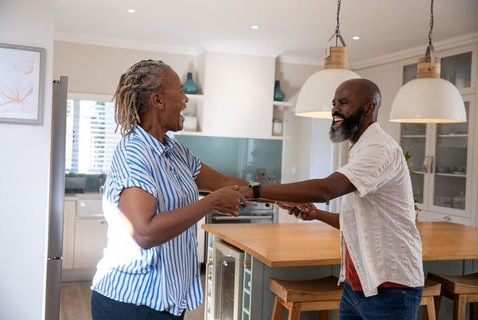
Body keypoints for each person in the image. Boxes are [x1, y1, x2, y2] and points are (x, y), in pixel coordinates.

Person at [239, 78, 424, 320]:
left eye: (343, 102)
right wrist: (316, 214)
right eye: (334, 103)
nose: (335, 109)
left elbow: (326, 189)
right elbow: (359, 222)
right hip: (357, 285)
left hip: (390, 288)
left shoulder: (380, 149)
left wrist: (255, 191)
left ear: (370, 107)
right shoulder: (359, 150)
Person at [91, 59, 247, 320]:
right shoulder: (134, 154)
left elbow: (221, 182)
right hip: (132, 302)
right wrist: (210, 203)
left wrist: (275, 194)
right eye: (180, 91)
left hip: (167, 300)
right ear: (158, 100)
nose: (186, 100)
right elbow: (145, 231)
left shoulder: (175, 151)